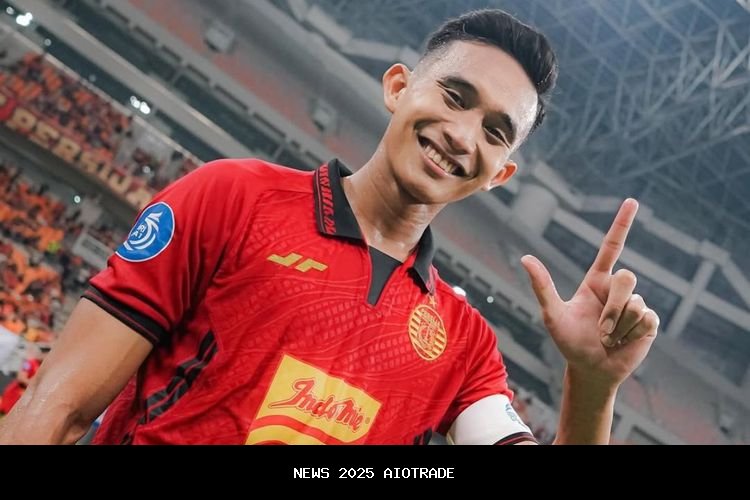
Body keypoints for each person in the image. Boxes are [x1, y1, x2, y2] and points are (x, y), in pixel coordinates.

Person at [0, 9, 659, 445]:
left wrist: (592, 384)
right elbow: (58, 406)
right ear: (398, 87)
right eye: (454, 96)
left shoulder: (465, 348)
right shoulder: (232, 198)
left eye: (494, 132)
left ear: (499, 175)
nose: (463, 136)